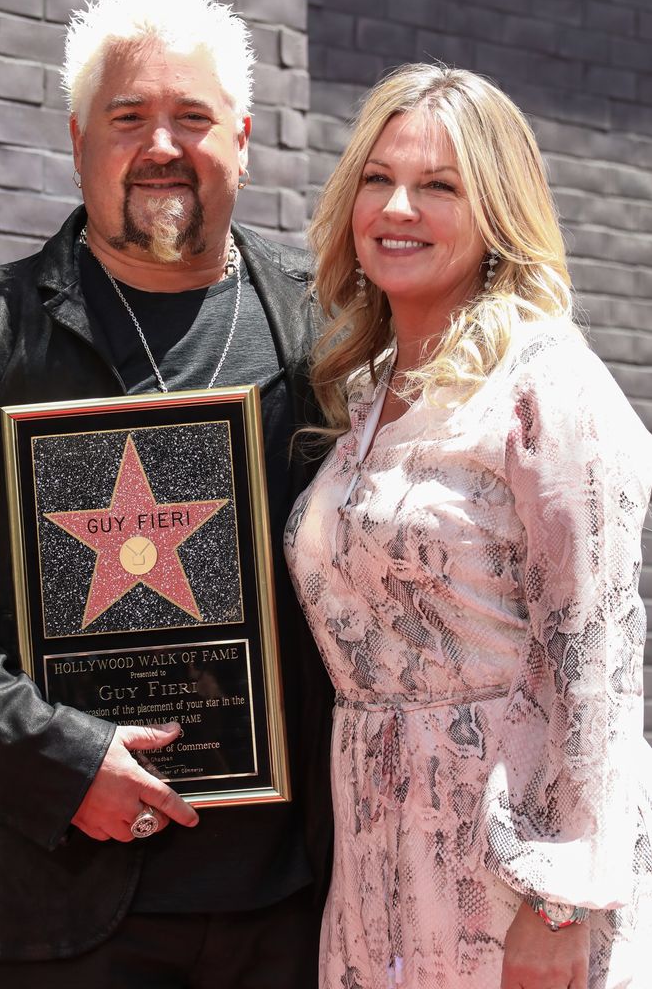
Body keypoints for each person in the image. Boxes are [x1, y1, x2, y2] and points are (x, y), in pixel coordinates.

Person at [0, 0, 332, 988]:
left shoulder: (329, 330)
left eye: (193, 117)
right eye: (129, 117)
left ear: (242, 137)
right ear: (78, 140)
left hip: (299, 907)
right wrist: (58, 762)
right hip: (65, 908)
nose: (163, 144)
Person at [284, 63, 652, 989]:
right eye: (378, 178)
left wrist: (564, 897)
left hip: (514, 879)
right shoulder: (363, 397)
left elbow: (595, 652)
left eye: (438, 185)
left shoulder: (544, 382)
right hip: (372, 868)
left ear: (495, 211)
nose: (398, 206)